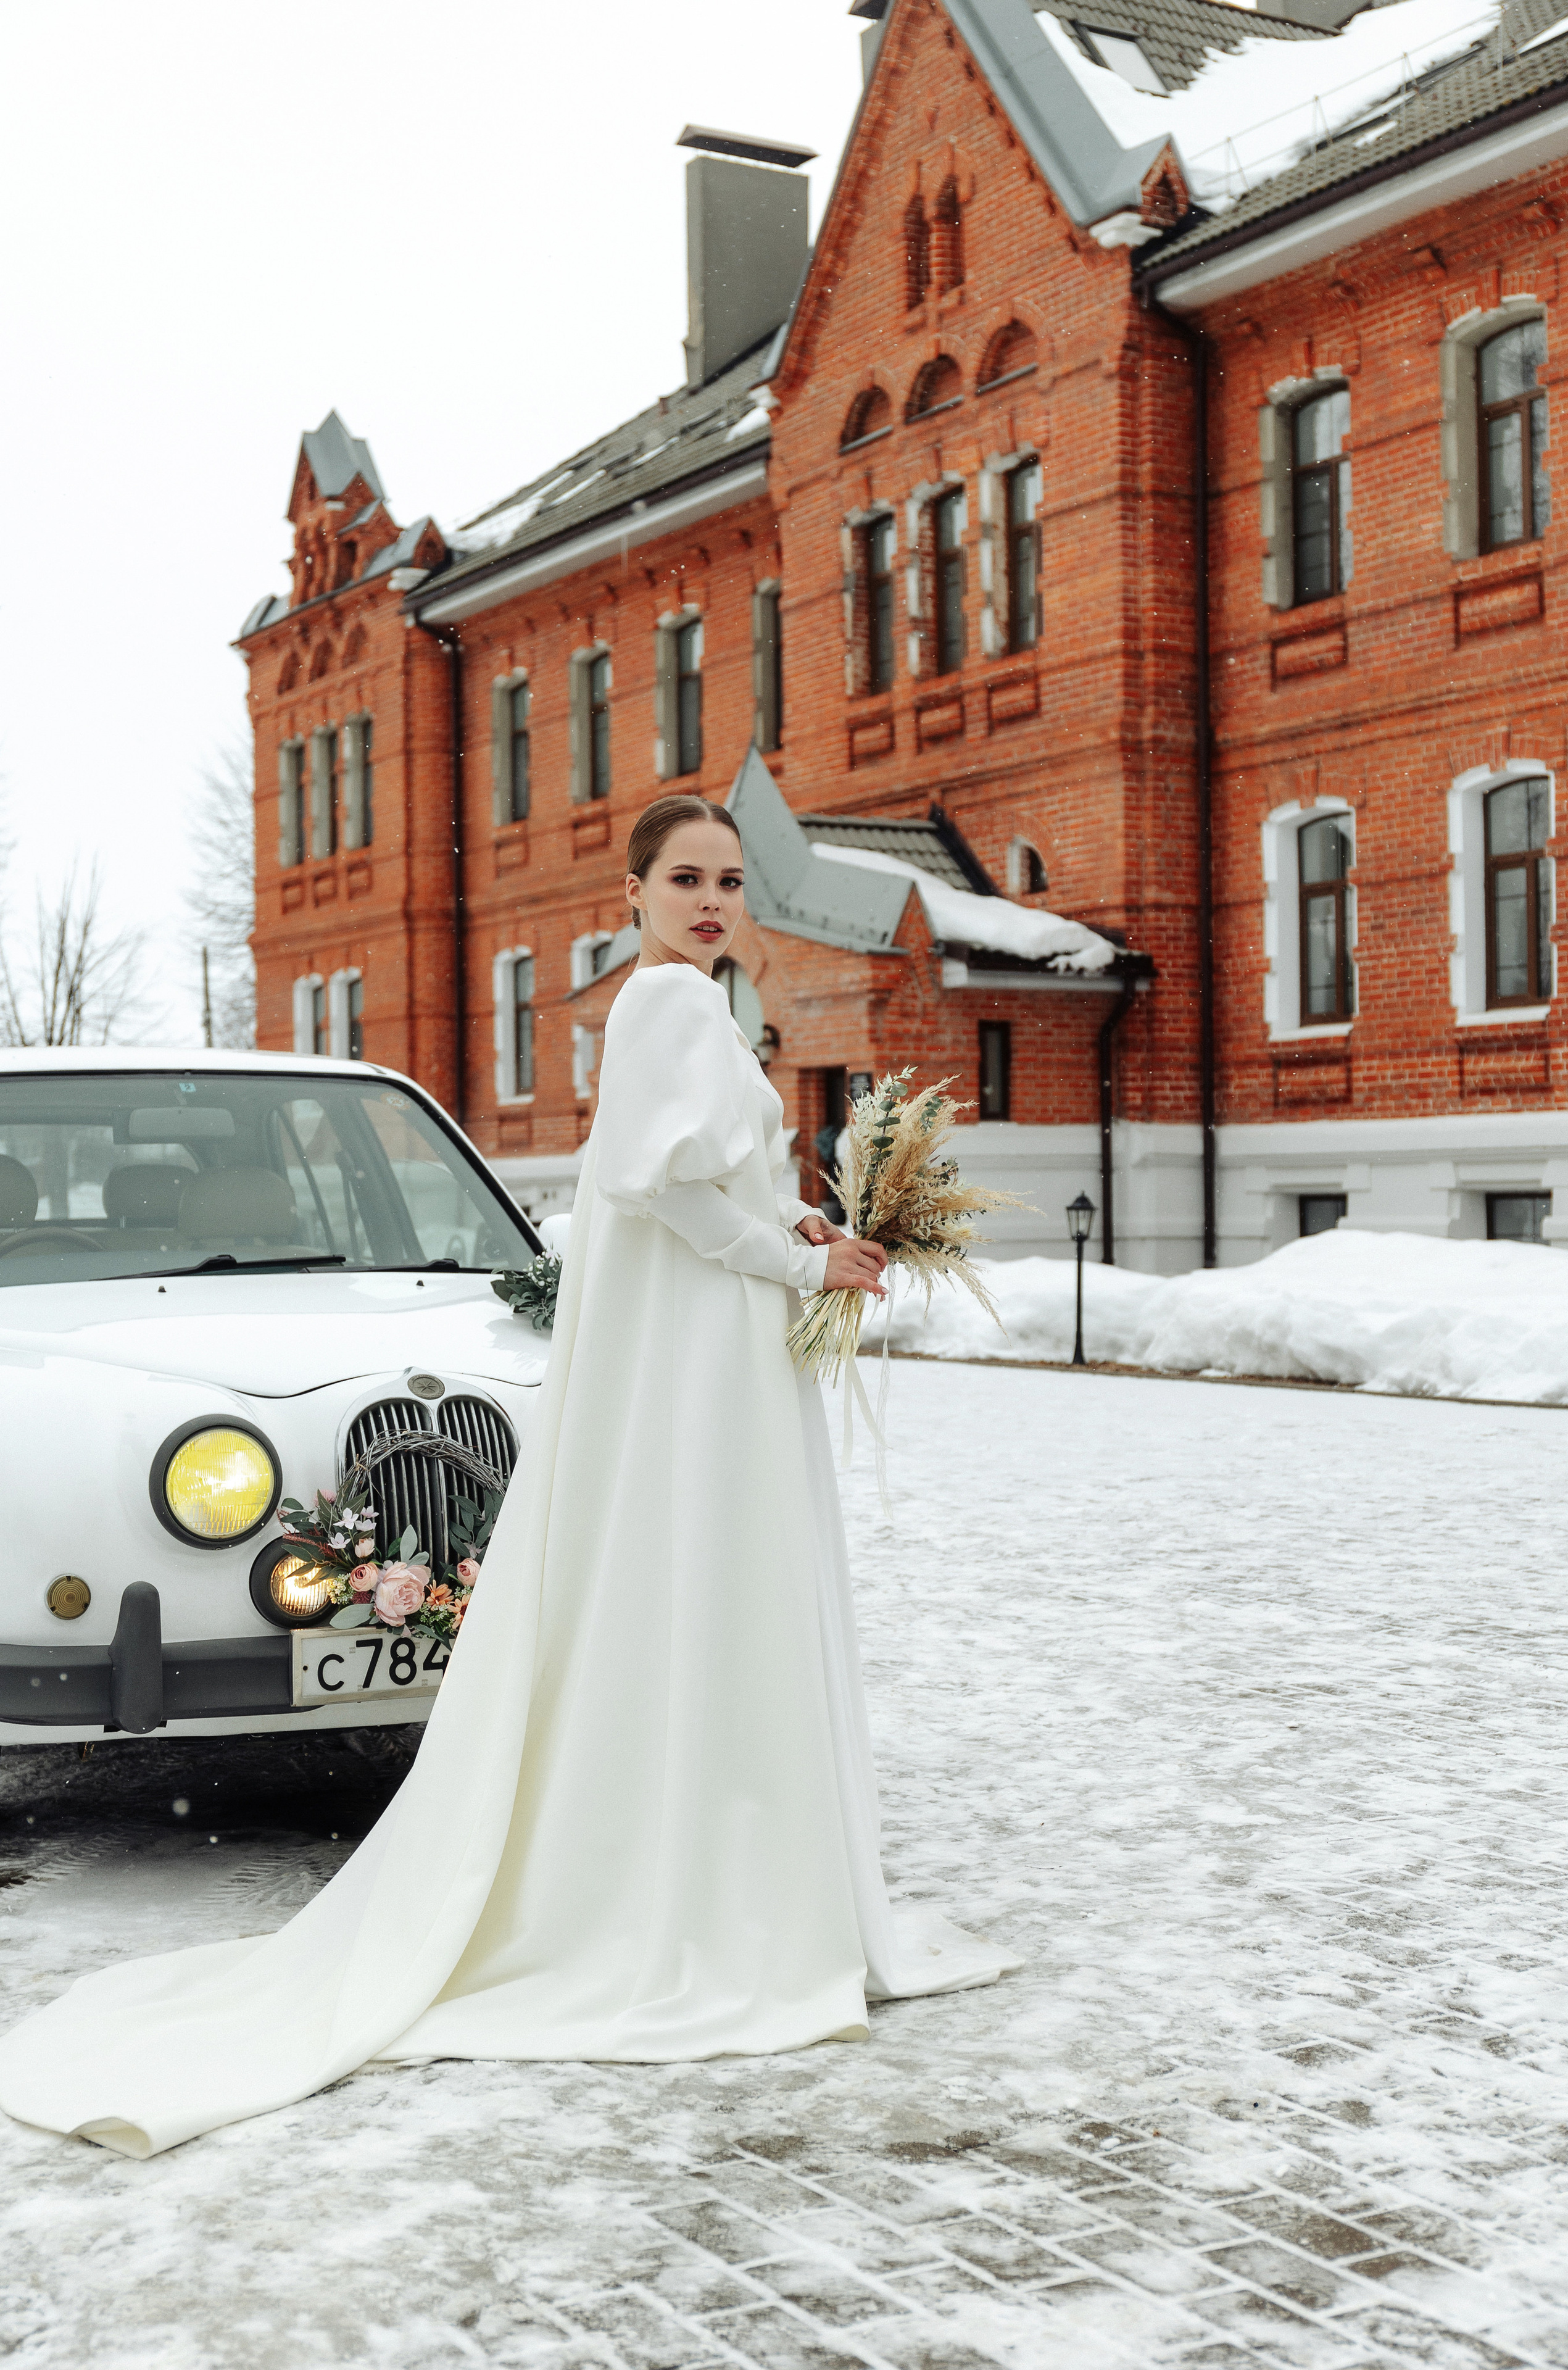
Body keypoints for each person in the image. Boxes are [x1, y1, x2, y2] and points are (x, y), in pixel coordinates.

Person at [0, 793, 1017, 2159]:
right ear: (634, 893)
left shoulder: (694, 1011)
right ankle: (707, 1886)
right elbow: (662, 1193)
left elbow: (681, 1183)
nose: (710, 900)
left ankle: (694, 1868)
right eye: (683, 879)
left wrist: (801, 1220)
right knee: (709, 1585)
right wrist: (798, 1260)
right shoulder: (667, 1007)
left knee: (693, 1591)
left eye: (727, 879)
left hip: (703, 1342)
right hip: (704, 1347)